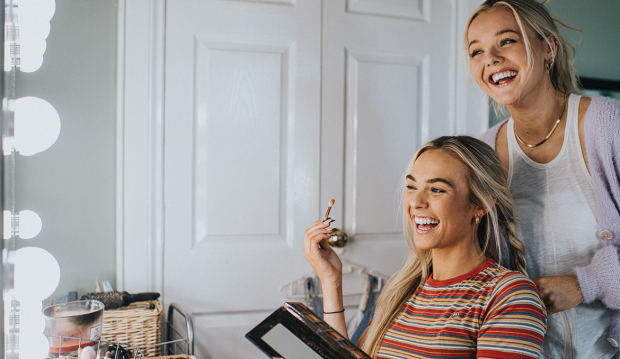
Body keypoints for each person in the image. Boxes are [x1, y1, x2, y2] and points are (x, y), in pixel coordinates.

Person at [466, 0, 620, 357]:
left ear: (547, 48)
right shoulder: (483, 152)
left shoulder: (607, 125)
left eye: (506, 41)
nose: (490, 58)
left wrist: (586, 284)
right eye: (477, 51)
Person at [304, 136, 547, 358]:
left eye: (437, 189)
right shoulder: (401, 291)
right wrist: (331, 282)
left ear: (480, 204)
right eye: (412, 187)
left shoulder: (509, 296)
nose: (416, 202)